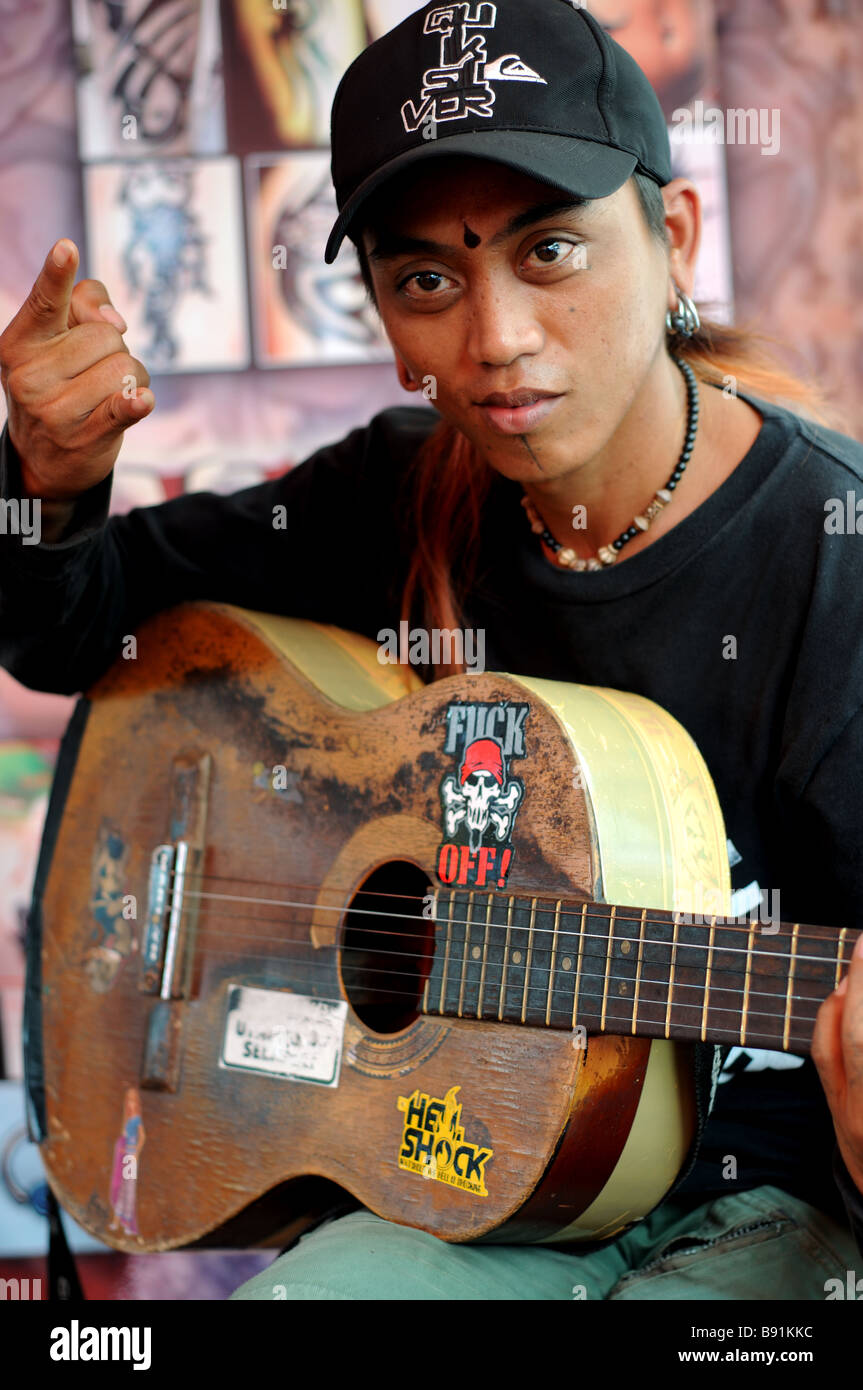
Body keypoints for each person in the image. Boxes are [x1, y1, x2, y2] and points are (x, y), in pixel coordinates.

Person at [1, 0, 862, 1301]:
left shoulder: (836, 562)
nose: (496, 338)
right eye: (426, 282)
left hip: (778, 1207)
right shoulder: (401, 490)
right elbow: (74, 628)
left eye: (552, 250)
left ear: (676, 240)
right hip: (461, 1192)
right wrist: (49, 482)